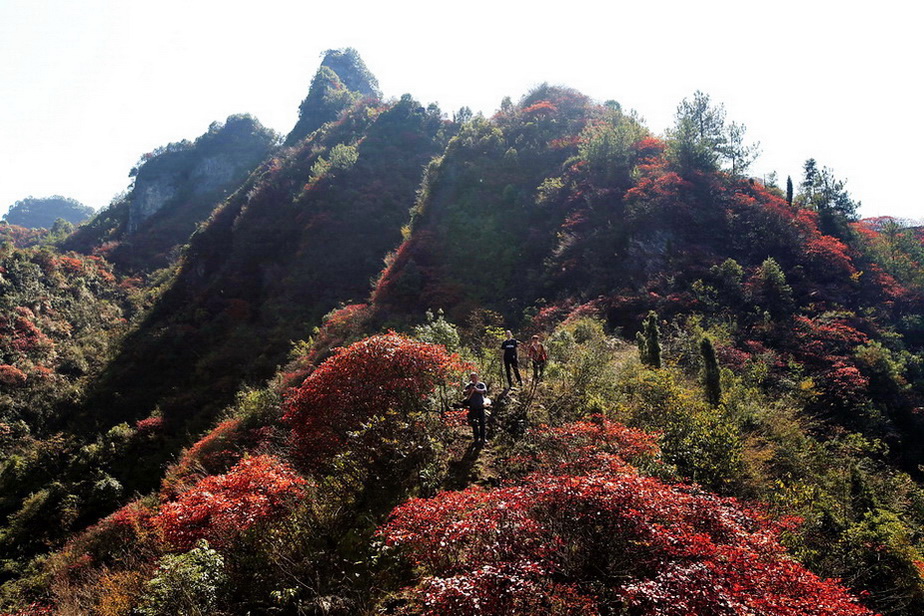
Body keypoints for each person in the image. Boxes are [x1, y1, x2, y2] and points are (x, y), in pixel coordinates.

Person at [464, 372, 488, 442]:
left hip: (480, 406)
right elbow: (464, 393)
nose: (473, 379)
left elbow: (484, 391)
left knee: (482, 423)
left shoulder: (481, 384)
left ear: (477, 377)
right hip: (472, 407)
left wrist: (477, 390)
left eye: (474, 377)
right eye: (472, 377)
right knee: (474, 423)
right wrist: (470, 390)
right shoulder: (468, 386)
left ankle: (483, 438)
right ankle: (476, 438)